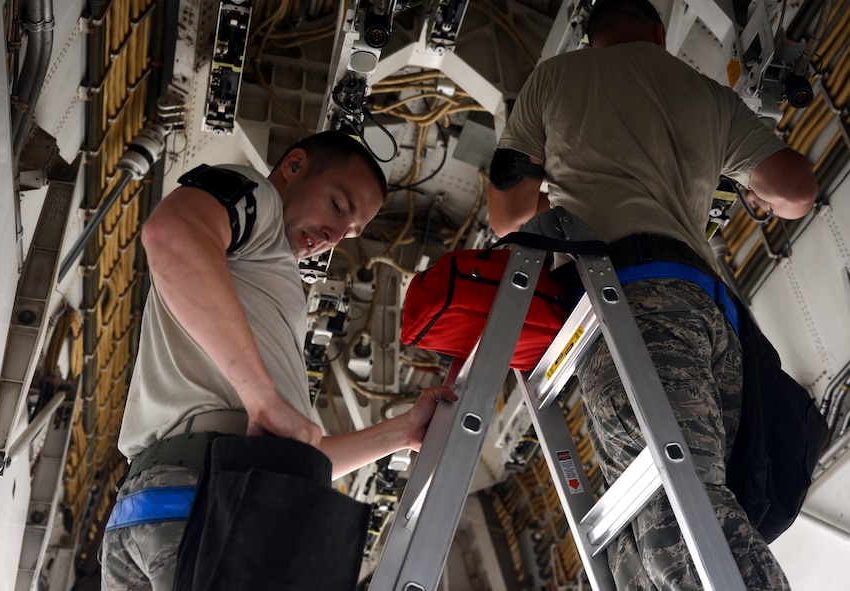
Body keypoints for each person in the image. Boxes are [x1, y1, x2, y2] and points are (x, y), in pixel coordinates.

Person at [487, 1, 817, 589]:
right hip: (707, 309)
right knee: (691, 506)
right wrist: (756, 192)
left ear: (589, 36)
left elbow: (509, 215)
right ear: (660, 33)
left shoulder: (556, 79)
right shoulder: (705, 93)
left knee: (675, 523)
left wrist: (565, 195)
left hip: (624, 307)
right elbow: (795, 190)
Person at [100, 131, 455, 590]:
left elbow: (287, 449)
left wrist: (399, 433)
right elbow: (170, 233)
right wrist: (263, 398)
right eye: (337, 205)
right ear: (294, 167)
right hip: (207, 494)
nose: (334, 236)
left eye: (350, 232)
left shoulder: (257, 283)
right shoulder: (258, 198)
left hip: (151, 504)